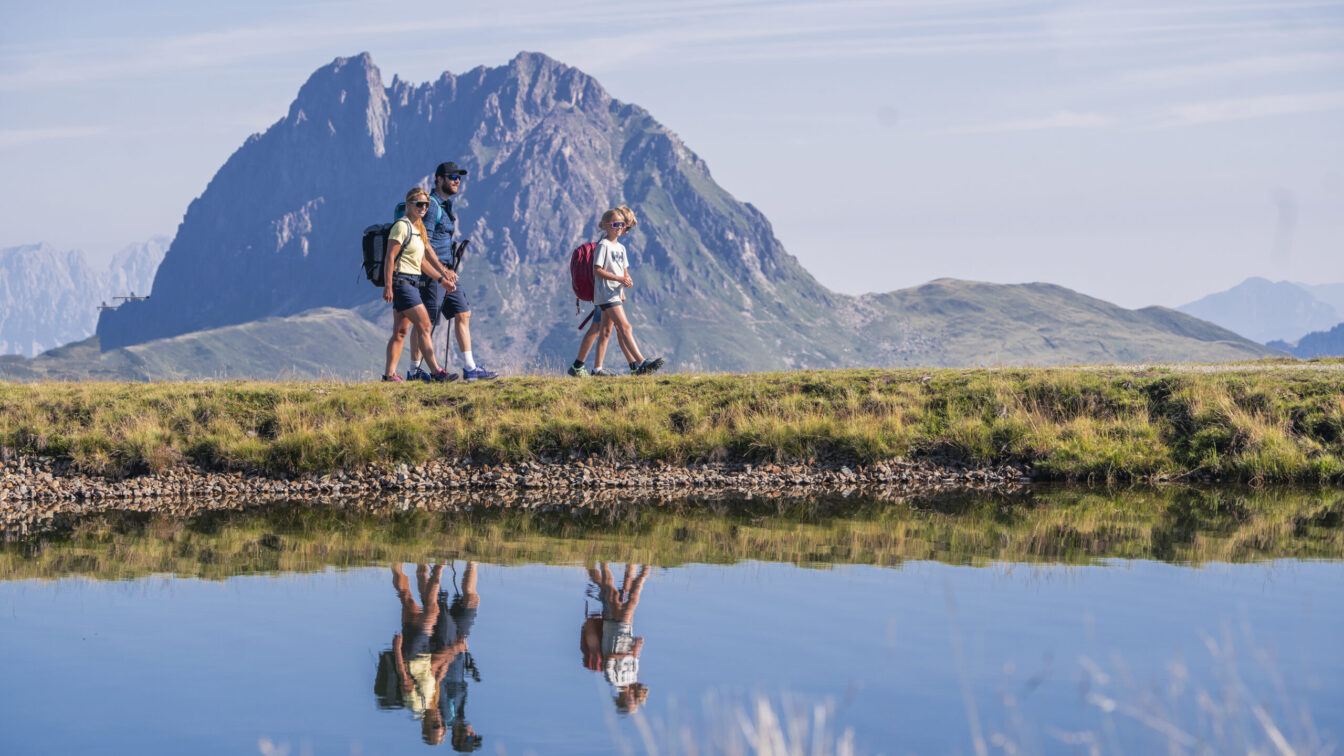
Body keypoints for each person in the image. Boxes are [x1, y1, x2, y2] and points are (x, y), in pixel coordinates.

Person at [419, 161, 498, 382]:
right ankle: (415, 370)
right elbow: (425, 244)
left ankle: (470, 368)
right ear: (439, 179)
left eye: (459, 177)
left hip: (448, 271)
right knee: (427, 323)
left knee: (463, 313)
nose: (457, 181)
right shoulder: (432, 206)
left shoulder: (445, 206)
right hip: (434, 273)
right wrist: (441, 271)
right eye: (452, 177)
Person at [374, 563, 470, 745]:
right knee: (407, 600)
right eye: (442, 725)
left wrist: (397, 649)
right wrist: (452, 655)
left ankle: (439, 566)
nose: (439, 720)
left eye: (435, 726)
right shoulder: (432, 702)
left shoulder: (417, 705)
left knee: (431, 610)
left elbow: (404, 677)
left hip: (414, 653)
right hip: (422, 651)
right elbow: (437, 674)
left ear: (425, 727)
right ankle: (396, 564)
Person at [567, 206, 663, 377]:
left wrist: (626, 280)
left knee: (605, 330)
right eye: (616, 224)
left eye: (623, 225)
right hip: (606, 294)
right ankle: (641, 363)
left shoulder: (621, 248)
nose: (621, 228)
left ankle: (597, 369)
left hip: (615, 293)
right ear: (605, 225)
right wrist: (619, 280)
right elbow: (597, 270)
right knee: (624, 327)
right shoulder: (603, 246)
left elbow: (623, 270)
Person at [381, 188, 457, 382]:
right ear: (408, 204)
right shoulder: (401, 226)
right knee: (425, 324)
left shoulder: (418, 228)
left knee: (400, 331)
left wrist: (441, 280)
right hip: (402, 283)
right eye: (419, 204)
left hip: (412, 283)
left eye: (427, 205)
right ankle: (436, 371)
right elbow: (389, 258)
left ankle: (389, 375)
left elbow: (422, 261)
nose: (424, 208)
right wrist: (388, 286)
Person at [580, 562, 651, 714]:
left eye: (631, 701)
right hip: (626, 631)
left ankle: (605, 563)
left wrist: (626, 654)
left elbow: (609, 659)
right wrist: (637, 647)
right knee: (631, 600)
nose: (633, 697)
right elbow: (635, 658)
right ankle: (645, 570)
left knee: (612, 592)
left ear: (623, 699)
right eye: (634, 701)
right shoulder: (632, 677)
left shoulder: (613, 680)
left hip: (612, 631)